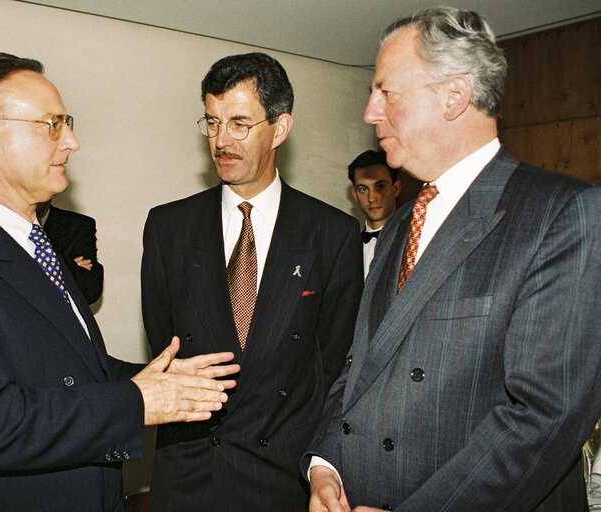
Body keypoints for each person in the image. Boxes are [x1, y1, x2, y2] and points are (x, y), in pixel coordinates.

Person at [0, 53, 239, 512]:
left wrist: (154, 380)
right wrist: (136, 402)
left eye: (66, 123)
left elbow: (71, 370)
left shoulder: (38, 243)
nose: (71, 141)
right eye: (51, 125)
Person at [305, 7, 601, 512]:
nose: (370, 113)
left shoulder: (566, 214)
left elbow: (544, 415)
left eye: (387, 91)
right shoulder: (401, 224)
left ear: (454, 95)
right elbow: (357, 368)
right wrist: (325, 467)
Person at [141, 52, 363, 511]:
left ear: (279, 129)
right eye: (212, 122)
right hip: (189, 475)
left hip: (284, 479)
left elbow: (335, 366)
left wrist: (323, 466)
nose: (222, 140)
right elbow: (165, 344)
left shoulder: (332, 234)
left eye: (239, 123)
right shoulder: (168, 228)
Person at [37, 200, 104, 304]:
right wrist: (68, 268)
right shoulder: (3, 227)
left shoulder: (78, 225)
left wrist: (58, 265)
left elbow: (89, 290)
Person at [348, 149, 400, 277]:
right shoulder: (348, 248)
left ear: (396, 189)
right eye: (364, 189)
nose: (372, 198)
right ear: (355, 194)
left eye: (380, 187)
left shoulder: (412, 241)